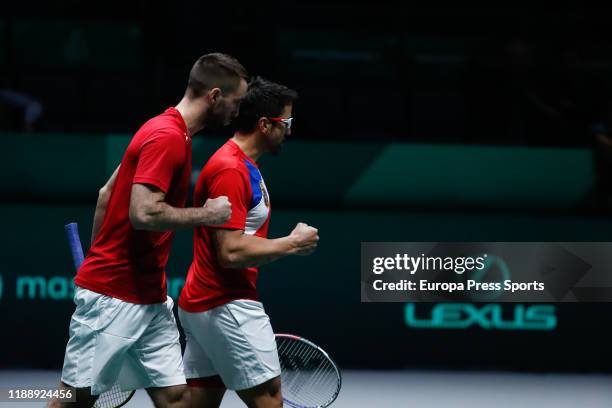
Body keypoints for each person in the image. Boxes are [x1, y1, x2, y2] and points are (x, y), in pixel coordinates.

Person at [48, 52, 248, 408]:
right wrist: (207, 214)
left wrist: (98, 258)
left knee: (175, 400)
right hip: (115, 297)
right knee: (72, 402)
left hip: (149, 298)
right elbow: (143, 213)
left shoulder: (169, 131)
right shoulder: (166, 136)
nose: (238, 111)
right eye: (236, 101)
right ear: (215, 96)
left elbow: (106, 195)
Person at [178, 77, 319, 408]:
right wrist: (293, 244)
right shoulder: (231, 170)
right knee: (269, 399)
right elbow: (231, 251)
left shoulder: (241, 165)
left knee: (199, 401)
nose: (289, 130)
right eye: (287, 123)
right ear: (264, 125)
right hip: (226, 302)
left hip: (205, 302)